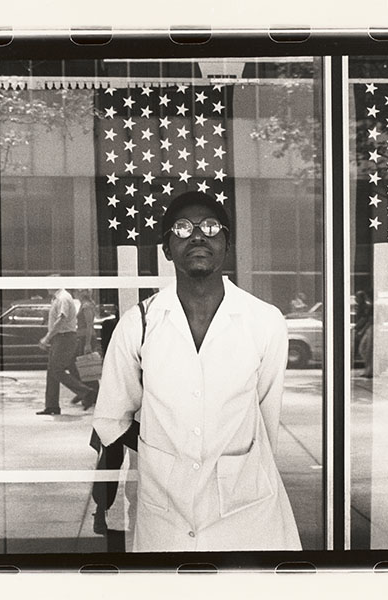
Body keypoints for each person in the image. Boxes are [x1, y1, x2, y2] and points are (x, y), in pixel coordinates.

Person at [93, 191, 302, 552]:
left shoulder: (264, 321)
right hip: (165, 510)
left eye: (210, 227)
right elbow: (112, 419)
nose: (198, 236)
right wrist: (166, 448)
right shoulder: (138, 325)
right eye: (183, 228)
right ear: (166, 248)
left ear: (227, 243)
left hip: (248, 508)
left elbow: (266, 421)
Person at [36, 286, 95, 415]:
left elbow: (61, 319)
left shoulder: (63, 298)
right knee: (52, 371)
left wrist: (47, 337)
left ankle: (85, 392)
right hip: (60, 337)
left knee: (56, 369)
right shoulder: (57, 298)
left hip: (65, 337)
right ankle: (52, 406)